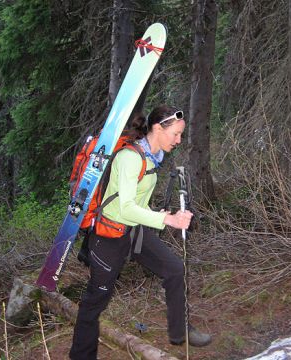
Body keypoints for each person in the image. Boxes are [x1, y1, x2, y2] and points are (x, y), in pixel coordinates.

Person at [69, 105, 212, 359]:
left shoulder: (152, 159)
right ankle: (81, 356)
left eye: (181, 135)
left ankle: (180, 331)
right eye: (176, 134)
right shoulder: (129, 158)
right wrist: (167, 219)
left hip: (133, 232)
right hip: (108, 237)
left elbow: (138, 205)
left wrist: (167, 215)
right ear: (158, 128)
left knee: (174, 268)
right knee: (95, 302)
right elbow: (124, 208)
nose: (178, 141)